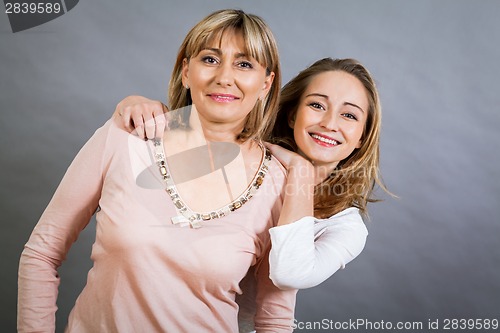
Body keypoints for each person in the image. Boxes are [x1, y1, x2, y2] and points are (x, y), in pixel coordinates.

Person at [18, 9, 296, 333]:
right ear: (185, 72)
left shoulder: (279, 184)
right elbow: (41, 254)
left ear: (266, 83)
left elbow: (274, 318)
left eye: (244, 64)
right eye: (210, 59)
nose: (224, 76)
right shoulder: (126, 138)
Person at [115, 57, 389, 291]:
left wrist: (300, 171)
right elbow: (179, 137)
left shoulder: (346, 228)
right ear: (292, 115)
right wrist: (135, 103)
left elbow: (288, 275)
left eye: (349, 116)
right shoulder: (241, 155)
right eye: (317, 105)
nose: (329, 123)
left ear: (362, 138)